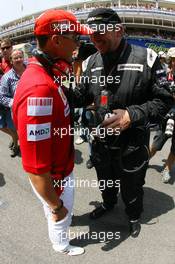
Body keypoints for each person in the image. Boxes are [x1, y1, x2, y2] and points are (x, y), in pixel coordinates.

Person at [72, 8, 173, 237]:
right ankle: (108, 204)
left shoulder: (147, 58)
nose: (94, 38)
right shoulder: (90, 61)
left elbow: (164, 101)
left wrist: (132, 115)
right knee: (105, 181)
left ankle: (133, 215)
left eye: (100, 32)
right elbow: (81, 96)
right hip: (101, 144)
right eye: (91, 33)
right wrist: (57, 87)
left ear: (119, 30)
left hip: (132, 145)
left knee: (132, 187)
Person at [12, 9, 91, 256]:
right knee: (59, 215)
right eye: (75, 38)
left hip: (61, 166)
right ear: (56, 40)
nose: (79, 44)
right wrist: (55, 205)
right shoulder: (39, 88)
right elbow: (36, 166)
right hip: (55, 176)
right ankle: (61, 245)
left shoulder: (50, 71)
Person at [150, 47, 175, 183]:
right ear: (170, 61)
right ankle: (144, 159)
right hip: (166, 117)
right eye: (174, 60)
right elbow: (159, 94)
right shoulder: (164, 75)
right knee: (156, 144)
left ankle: (167, 169)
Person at [0, 49, 26, 157]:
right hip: (16, 110)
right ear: (11, 60)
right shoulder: (7, 77)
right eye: (16, 58)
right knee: (14, 129)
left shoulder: (31, 70)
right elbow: (2, 96)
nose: (19, 59)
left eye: (20, 57)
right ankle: (16, 145)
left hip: (33, 108)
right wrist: (14, 103)